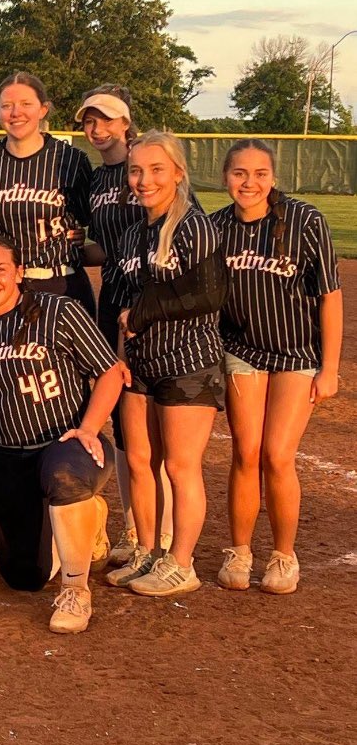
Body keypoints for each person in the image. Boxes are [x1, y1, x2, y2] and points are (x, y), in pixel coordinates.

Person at [0, 235, 121, 633]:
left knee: (64, 476)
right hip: (11, 454)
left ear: (19, 272)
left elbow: (110, 371)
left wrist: (89, 428)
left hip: (66, 443)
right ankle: (90, 519)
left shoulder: (57, 310)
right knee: (23, 577)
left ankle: (76, 590)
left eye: (0, 269)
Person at [210, 139, 342, 594]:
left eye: (260, 173)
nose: (250, 183)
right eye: (240, 173)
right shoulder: (216, 228)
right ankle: (240, 550)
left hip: (296, 352)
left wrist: (330, 367)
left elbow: (329, 295)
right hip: (242, 351)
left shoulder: (305, 221)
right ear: (225, 177)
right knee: (246, 453)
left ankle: (284, 555)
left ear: (274, 177)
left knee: (278, 455)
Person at [108, 130, 227, 596]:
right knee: (139, 461)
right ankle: (147, 552)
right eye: (136, 170)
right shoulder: (134, 232)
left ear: (178, 173)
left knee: (180, 467)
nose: (144, 179)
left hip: (187, 361)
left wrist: (143, 312)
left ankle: (181, 563)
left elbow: (207, 294)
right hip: (140, 363)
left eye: (157, 169)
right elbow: (121, 298)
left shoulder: (193, 226)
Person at [74, 86, 174, 566]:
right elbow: (104, 249)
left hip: (151, 301)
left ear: (126, 124)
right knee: (123, 415)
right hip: (113, 297)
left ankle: (161, 531)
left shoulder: (146, 169)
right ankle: (135, 528)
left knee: (159, 420)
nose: (98, 129)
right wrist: (66, 245)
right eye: (90, 122)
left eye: (106, 121)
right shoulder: (96, 180)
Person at [0, 72, 95, 315]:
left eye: (26, 104)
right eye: (7, 106)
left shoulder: (71, 159)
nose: (16, 113)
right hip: (6, 287)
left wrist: (78, 234)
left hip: (62, 282)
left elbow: (89, 216)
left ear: (43, 109)